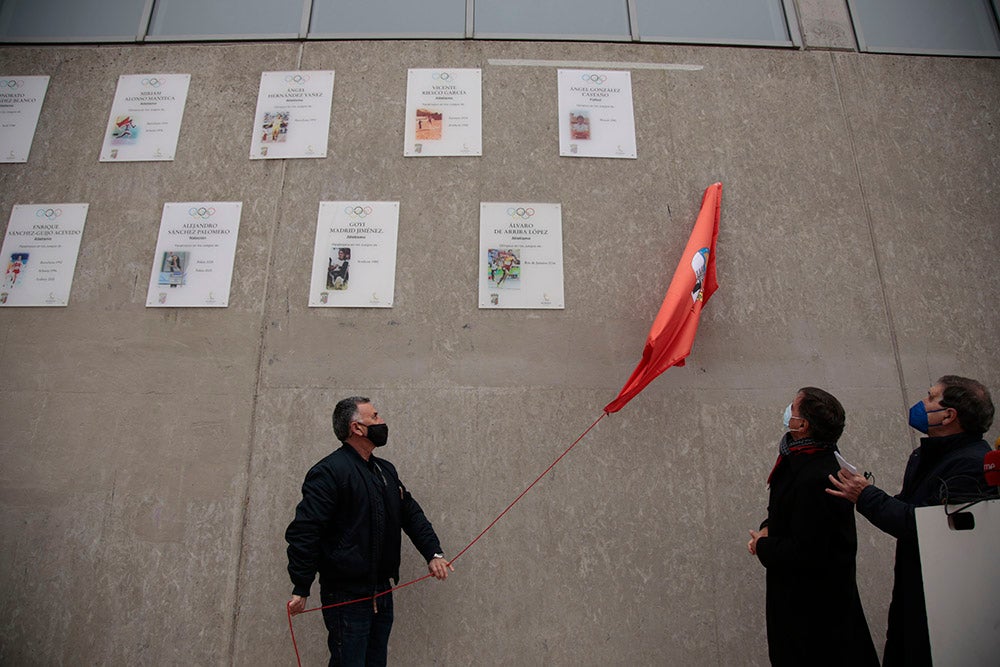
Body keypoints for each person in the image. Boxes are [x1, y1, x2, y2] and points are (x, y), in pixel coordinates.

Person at [827, 375, 994, 666]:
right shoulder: (927, 455)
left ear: (949, 415)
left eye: (930, 397)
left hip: (943, 604)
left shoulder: (971, 465)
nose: (922, 402)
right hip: (914, 588)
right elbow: (908, 507)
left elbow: (922, 526)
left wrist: (865, 496)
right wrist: (866, 493)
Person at [286, 396, 454, 666]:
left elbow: (411, 514)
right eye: (375, 416)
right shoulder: (329, 472)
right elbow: (305, 531)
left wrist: (433, 553)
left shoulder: (384, 470)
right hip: (346, 596)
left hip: (381, 593)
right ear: (357, 428)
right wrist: (301, 586)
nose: (382, 421)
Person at [748, 387, 878, 666]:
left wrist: (763, 545)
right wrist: (768, 527)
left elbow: (809, 551)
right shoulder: (802, 461)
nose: (787, 412)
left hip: (814, 615)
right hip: (804, 609)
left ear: (803, 425)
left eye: (792, 408)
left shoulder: (819, 475)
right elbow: (791, 516)